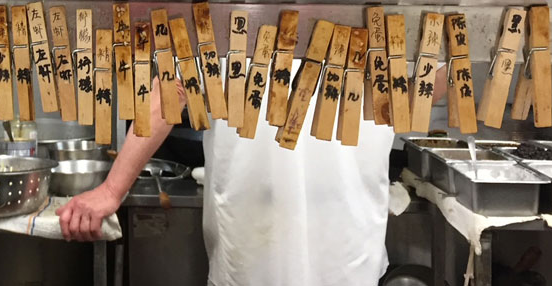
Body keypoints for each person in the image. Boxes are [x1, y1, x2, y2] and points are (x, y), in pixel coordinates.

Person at [58, 68, 444, 286]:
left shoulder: (393, 9)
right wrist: (111, 190)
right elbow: (171, 94)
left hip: (342, 260)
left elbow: (169, 95)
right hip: (266, 262)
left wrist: (111, 190)